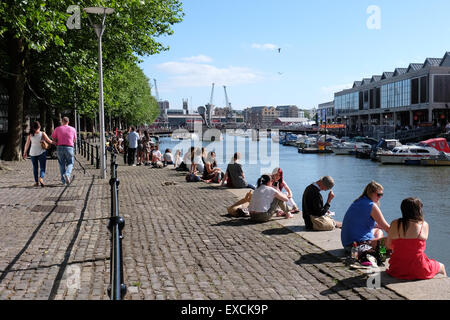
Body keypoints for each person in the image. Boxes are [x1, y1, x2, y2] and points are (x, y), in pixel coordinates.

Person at [386, 197, 447, 280]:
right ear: (418, 210)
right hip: (419, 269)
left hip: (397, 269)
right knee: (442, 266)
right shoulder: (423, 225)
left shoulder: (394, 223)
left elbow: (388, 245)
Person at [341, 181, 391, 252]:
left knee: (378, 231)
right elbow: (387, 228)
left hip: (347, 244)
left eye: (381, 195)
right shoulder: (371, 205)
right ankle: (378, 249)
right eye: (378, 194)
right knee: (393, 241)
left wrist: (379, 226)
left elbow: (360, 223)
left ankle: (377, 247)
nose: (380, 197)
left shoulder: (358, 201)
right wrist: (401, 235)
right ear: (371, 193)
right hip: (358, 246)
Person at [23, 121, 53, 187]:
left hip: (32, 153)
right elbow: (50, 141)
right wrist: (57, 142)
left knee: (35, 168)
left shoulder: (30, 134)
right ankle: (41, 178)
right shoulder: (42, 133)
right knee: (42, 167)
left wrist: (25, 152)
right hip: (41, 152)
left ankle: (36, 182)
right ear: (39, 127)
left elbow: (27, 144)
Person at [51, 117, 77, 185]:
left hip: (59, 147)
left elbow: (53, 138)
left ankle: (63, 181)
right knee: (70, 163)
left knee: (61, 164)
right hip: (69, 147)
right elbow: (74, 140)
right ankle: (67, 174)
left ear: (62, 121)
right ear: (68, 122)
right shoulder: (73, 129)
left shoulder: (57, 128)